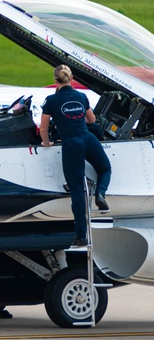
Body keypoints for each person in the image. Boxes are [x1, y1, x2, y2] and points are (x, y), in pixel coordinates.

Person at [40, 64, 111, 247]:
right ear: (71, 79)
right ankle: (101, 193)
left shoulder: (51, 100)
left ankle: (81, 236)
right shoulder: (81, 96)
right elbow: (92, 120)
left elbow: (44, 127)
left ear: (55, 81)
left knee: (77, 189)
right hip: (87, 138)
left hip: (71, 144)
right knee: (104, 168)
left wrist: (46, 142)